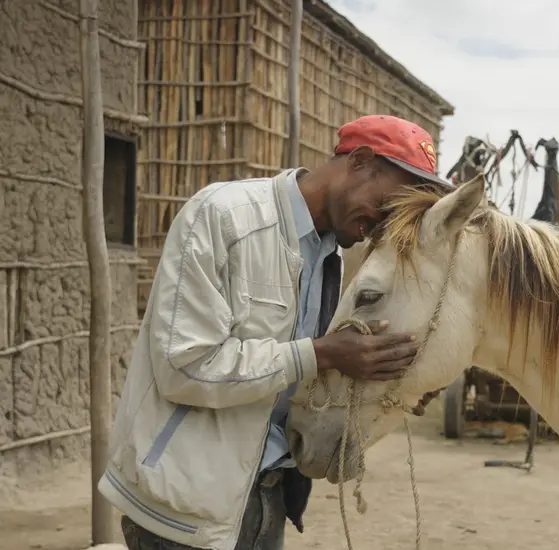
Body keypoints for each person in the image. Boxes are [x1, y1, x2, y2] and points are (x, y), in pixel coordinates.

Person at [100, 115, 450, 550]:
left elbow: (301, 378)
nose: (384, 224)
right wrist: (322, 353)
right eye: (388, 204)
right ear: (360, 162)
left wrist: (397, 382)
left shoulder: (331, 256)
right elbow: (184, 367)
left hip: (268, 498)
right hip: (184, 513)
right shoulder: (224, 217)